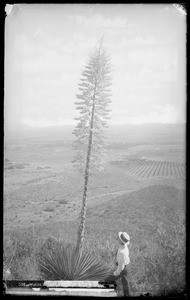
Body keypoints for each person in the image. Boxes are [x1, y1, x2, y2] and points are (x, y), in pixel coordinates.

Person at [104, 232, 131, 297]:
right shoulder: (124, 246)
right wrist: (118, 261)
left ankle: (111, 293)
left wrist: (115, 273)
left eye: (118, 238)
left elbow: (121, 267)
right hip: (126, 266)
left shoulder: (122, 252)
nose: (117, 238)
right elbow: (123, 259)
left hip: (123, 268)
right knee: (125, 283)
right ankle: (126, 295)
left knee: (108, 280)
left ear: (120, 240)